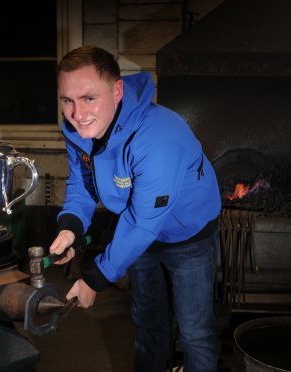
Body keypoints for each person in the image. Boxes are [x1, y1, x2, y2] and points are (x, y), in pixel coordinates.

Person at [49, 45, 221, 372]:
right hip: (136, 233)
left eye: (88, 98)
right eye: (67, 100)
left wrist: (94, 279)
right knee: (148, 321)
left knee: (194, 332)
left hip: (189, 236)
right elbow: (81, 181)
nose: (76, 113)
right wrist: (71, 226)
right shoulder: (77, 129)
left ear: (116, 91)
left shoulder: (158, 137)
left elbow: (144, 222)